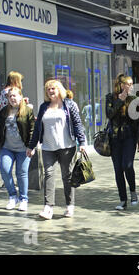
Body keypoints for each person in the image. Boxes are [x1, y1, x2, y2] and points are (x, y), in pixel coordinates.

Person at [27, 79, 86, 220]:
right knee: (48, 174)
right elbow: (37, 129)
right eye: (48, 89)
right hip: (48, 147)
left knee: (67, 176)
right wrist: (31, 146)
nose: (50, 91)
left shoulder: (69, 105)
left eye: (53, 88)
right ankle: (48, 207)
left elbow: (77, 124)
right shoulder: (43, 107)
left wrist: (82, 141)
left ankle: (69, 205)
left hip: (67, 147)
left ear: (59, 89)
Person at [106, 74, 139, 210]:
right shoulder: (110, 97)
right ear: (121, 85)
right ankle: (123, 200)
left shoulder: (134, 99)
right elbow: (109, 114)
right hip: (115, 138)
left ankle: (133, 191)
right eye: (129, 84)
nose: (131, 86)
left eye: (132, 84)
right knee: (118, 170)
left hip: (129, 137)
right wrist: (120, 101)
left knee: (127, 165)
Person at [0, 87, 35, 211]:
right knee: (4, 170)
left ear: (21, 97)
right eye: (10, 96)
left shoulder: (27, 111)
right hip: (7, 148)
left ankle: (23, 199)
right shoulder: (4, 111)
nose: (12, 98)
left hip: (23, 149)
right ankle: (12, 196)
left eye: (15, 96)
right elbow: (0, 128)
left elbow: (32, 130)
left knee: (21, 174)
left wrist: (31, 146)